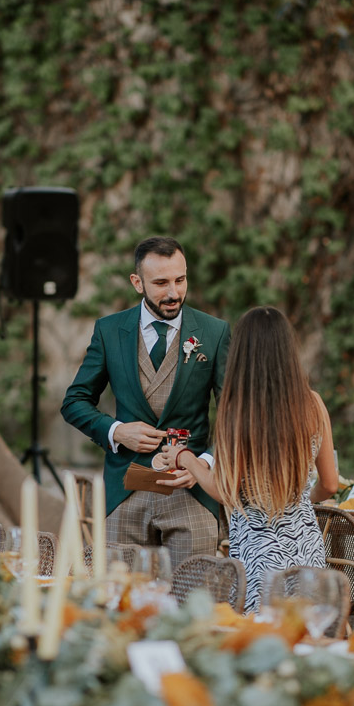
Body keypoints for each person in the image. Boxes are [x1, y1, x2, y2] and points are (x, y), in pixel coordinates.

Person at [61, 236, 231, 566]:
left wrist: (206, 465)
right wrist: (116, 431)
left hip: (190, 491)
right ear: (137, 282)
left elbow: (232, 415)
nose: (173, 293)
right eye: (161, 283)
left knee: (192, 600)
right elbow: (74, 401)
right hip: (126, 490)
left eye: (180, 280)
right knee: (118, 602)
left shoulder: (214, 333)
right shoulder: (109, 331)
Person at [157, 306, 337, 613]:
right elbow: (331, 484)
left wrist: (184, 457)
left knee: (261, 641)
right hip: (307, 549)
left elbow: (224, 491)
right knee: (306, 636)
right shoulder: (313, 404)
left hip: (258, 556)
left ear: (242, 354)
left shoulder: (237, 413)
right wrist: (302, 499)